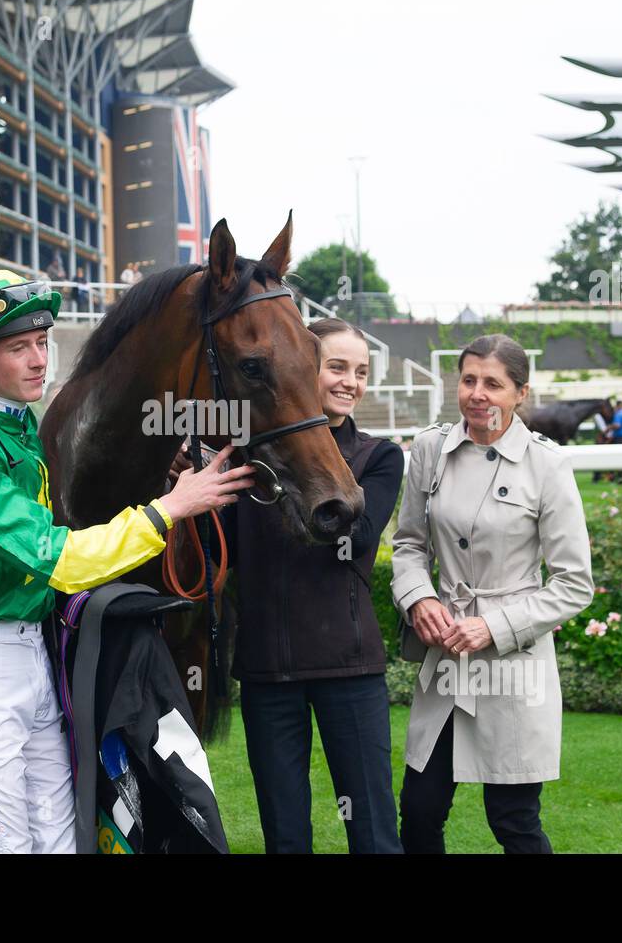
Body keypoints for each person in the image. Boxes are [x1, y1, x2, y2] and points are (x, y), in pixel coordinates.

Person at [0, 269, 253, 854]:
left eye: (42, 343)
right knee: (3, 847)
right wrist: (169, 510)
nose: (37, 359)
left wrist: (163, 486)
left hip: (34, 659)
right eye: (17, 347)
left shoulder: (23, 434)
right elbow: (59, 559)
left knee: (65, 841)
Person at [391, 334, 594, 854]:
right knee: (418, 811)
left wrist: (494, 627)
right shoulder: (430, 449)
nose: (478, 394)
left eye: (493, 384)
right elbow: (409, 544)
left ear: (520, 393)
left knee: (514, 822)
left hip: (513, 665)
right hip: (444, 659)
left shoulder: (547, 465)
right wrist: (419, 598)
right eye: (469, 380)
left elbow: (574, 584)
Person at [223, 318, 405, 854]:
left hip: (347, 665)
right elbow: (216, 548)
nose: (351, 381)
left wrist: (284, 468)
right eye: (337, 367)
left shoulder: (379, 456)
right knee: (285, 835)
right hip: (266, 669)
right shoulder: (242, 459)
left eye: (362, 371)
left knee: (373, 831)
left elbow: (356, 535)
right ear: (303, 369)